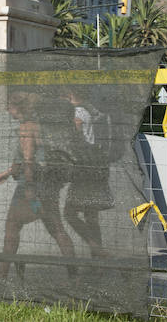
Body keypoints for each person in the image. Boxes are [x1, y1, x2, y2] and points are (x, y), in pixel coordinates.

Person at [0, 91, 74, 280]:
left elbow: (29, 160)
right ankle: (74, 275)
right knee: (57, 228)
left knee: (12, 226)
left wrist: (29, 189)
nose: (7, 109)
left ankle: (1, 275)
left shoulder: (26, 128)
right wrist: (7, 173)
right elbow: (34, 158)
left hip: (29, 186)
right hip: (46, 185)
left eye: (9, 106)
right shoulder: (39, 126)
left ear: (18, 108)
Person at [62, 90, 113, 257]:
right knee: (91, 215)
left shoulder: (77, 112)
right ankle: (97, 258)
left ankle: (97, 250)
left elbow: (77, 140)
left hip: (84, 167)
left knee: (70, 213)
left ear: (69, 95)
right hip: (96, 164)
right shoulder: (91, 110)